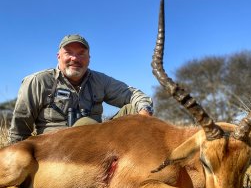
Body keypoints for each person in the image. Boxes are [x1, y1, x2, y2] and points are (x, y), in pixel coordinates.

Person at [9, 34, 153, 143]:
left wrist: (144, 115)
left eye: (81, 53)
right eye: (68, 53)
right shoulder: (38, 81)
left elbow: (133, 94)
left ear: (89, 58)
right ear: (58, 56)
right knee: (86, 124)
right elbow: (20, 126)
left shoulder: (100, 80)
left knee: (132, 110)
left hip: (95, 143)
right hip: (53, 148)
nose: (75, 58)